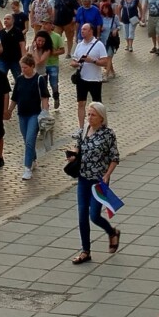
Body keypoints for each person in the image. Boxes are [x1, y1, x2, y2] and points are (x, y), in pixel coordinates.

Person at [66, 101, 120, 265]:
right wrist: (73, 156)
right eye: (88, 114)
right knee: (82, 216)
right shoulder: (84, 131)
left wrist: (107, 175)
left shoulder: (108, 134)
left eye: (92, 115)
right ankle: (85, 251)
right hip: (83, 179)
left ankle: (112, 232)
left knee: (94, 215)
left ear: (101, 117)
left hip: (99, 182)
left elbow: (114, 157)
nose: (89, 117)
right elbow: (78, 148)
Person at [11, 55, 49, 180]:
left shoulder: (39, 79)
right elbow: (15, 97)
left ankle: (27, 168)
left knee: (29, 140)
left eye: (25, 67)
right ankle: (33, 159)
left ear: (32, 66)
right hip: (22, 114)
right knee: (26, 139)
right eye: (21, 67)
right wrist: (9, 110)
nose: (23, 69)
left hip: (34, 114)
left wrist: (44, 111)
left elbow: (44, 97)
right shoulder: (19, 79)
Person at [70, 23, 109, 129]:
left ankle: (100, 126)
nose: (82, 31)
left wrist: (93, 60)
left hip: (95, 79)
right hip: (81, 79)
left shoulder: (98, 44)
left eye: (84, 29)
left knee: (97, 105)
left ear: (91, 31)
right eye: (81, 29)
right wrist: (75, 64)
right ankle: (81, 128)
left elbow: (105, 62)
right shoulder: (79, 45)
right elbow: (73, 60)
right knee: (81, 103)